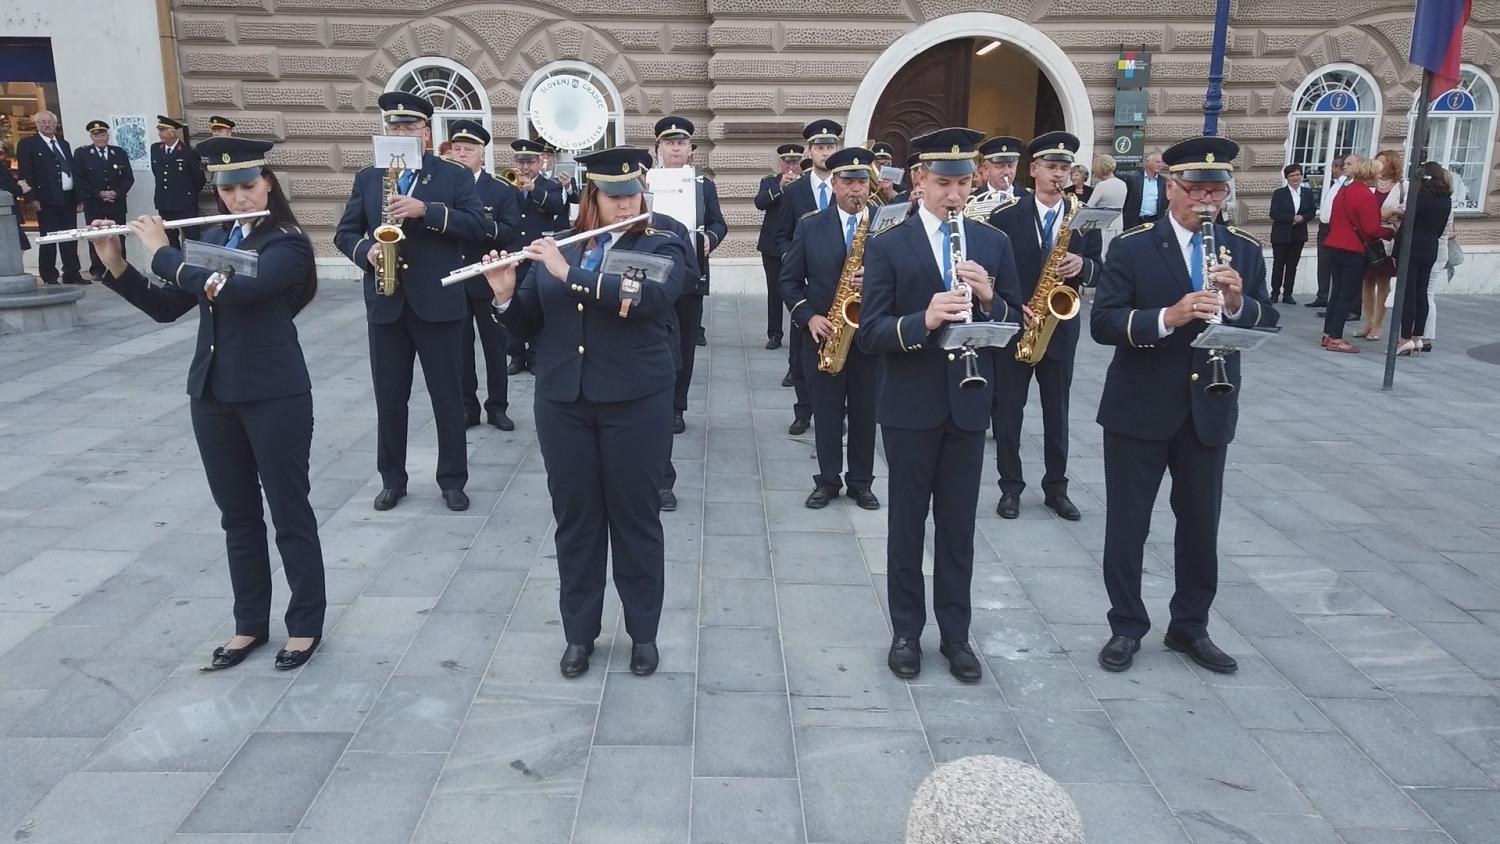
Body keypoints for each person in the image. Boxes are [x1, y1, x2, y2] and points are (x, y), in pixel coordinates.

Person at [92, 137, 326, 671]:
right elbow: (168, 305)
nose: (239, 199)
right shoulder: (217, 237)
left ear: (268, 183)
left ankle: (306, 624)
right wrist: (119, 264)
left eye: (248, 186)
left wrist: (164, 252)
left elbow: (235, 290)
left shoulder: (286, 243)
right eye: (229, 190)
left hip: (274, 395)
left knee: (290, 513)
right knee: (237, 517)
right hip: (214, 395)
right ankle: (249, 625)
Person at [480, 146, 687, 679]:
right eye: (612, 197)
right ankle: (579, 634)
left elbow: (650, 299)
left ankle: (643, 633)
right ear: (590, 197)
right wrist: (504, 296)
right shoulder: (562, 243)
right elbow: (528, 326)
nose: (624, 206)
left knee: (636, 518)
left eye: (631, 195)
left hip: (635, 401)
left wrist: (566, 270)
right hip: (563, 402)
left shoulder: (664, 240)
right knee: (576, 521)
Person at [1091, 135, 1278, 675]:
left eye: (1216, 190)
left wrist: (1239, 303)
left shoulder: (1242, 248)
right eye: (1195, 189)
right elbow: (1104, 323)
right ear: (1170, 187)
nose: (1207, 201)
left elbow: (1267, 320)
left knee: (1200, 524)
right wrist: (1167, 317)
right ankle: (1126, 624)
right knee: (1128, 524)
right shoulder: (1132, 245)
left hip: (1209, 407)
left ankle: (1190, 626)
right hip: (1140, 407)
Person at [856, 126, 1025, 683]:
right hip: (910, 406)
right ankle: (906, 630)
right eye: (943, 183)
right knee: (907, 524)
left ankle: (956, 634)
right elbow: (871, 333)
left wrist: (988, 296)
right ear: (919, 181)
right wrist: (923, 321)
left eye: (962, 183)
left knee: (957, 527)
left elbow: (1016, 322)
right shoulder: (888, 245)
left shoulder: (992, 242)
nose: (954, 195)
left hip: (969, 404)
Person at [333, 91, 489, 512]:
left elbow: (480, 226)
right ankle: (392, 479)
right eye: (394, 126)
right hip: (385, 301)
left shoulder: (452, 176)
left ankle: (453, 479)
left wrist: (428, 211)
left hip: (438, 302)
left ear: (425, 132)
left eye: (409, 126)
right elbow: (344, 232)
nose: (400, 132)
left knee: (447, 395)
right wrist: (364, 250)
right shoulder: (369, 177)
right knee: (389, 396)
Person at [988, 132, 1101, 523]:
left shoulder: (1083, 218)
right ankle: (1010, 487)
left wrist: (1083, 266)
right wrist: (1011, 306)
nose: (1058, 175)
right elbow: (993, 273)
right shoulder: (1004, 216)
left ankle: (1057, 488)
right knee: (1008, 413)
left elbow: (1104, 268)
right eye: (1051, 167)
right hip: (1018, 325)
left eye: (1064, 168)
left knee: (1058, 413)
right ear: (1033, 169)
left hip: (1060, 329)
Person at [779, 146, 882, 511]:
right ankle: (827, 480)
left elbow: (907, 279)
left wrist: (877, 278)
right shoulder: (810, 225)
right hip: (824, 334)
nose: (856, 189)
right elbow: (788, 281)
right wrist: (808, 316)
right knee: (826, 413)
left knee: (866, 413)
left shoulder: (887, 225)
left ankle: (862, 483)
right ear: (835, 184)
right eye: (849, 181)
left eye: (861, 181)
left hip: (869, 335)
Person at [446, 119, 520, 431]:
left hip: (488, 278)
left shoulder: (500, 190)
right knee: (459, 349)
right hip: (455, 280)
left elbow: (510, 231)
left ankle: (497, 406)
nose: (462, 154)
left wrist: (484, 228)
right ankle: (467, 407)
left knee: (495, 347)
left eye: (469, 149)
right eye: (457, 149)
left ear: (482, 155)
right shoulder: (442, 186)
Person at [655, 116, 727, 435]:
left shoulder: (702, 184)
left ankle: (676, 407)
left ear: (690, 150)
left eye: (681, 143)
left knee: (684, 343)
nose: (676, 148)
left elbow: (719, 223)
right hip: (652, 275)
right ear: (657, 148)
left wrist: (711, 238)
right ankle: (653, 401)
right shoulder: (645, 182)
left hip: (690, 274)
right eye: (669, 143)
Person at [777, 119, 843, 436]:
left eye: (830, 146)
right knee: (801, 356)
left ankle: (835, 412)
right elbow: (780, 234)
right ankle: (804, 411)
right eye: (820, 147)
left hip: (841, 285)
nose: (825, 152)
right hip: (805, 282)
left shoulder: (847, 187)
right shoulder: (795, 190)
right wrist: (794, 257)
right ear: (809, 151)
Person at [505, 138, 565, 375]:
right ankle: (516, 355)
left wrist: (534, 190)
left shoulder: (550, 186)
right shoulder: (507, 183)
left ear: (540, 161)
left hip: (538, 252)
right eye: (521, 161)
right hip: (514, 251)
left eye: (530, 161)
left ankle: (536, 354)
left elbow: (557, 207)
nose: (525, 167)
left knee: (539, 304)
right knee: (512, 303)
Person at [1320, 158, 1388, 353]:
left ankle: (1328, 334)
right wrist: (1390, 232)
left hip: (1333, 245)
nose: (1379, 178)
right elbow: (1371, 229)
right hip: (1352, 249)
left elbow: (1333, 219)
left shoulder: (1344, 191)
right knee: (1346, 295)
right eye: (1377, 174)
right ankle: (1336, 338)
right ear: (1370, 175)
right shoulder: (1366, 195)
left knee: (1336, 293)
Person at [17, 110, 85, 285]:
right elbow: (24, 173)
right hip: (45, 200)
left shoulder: (63, 143)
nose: (47, 125)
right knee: (48, 239)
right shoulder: (28, 144)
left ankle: (72, 272)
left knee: (70, 237)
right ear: (37, 124)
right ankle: (49, 275)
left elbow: (72, 171)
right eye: (43, 122)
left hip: (68, 198)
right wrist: (32, 198)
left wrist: (79, 198)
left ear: (56, 124)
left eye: (50, 122)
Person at [1396, 162, 1454, 357]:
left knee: (1408, 294)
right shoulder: (1445, 200)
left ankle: (1404, 338)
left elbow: (1406, 226)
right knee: (1422, 292)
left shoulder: (1419, 198)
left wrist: (1396, 252)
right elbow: (1440, 229)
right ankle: (1417, 336)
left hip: (1412, 247)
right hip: (1430, 246)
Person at [755, 143, 804, 352]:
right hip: (772, 246)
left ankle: (800, 327)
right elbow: (760, 202)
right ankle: (774, 334)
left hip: (798, 246)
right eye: (787, 162)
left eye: (795, 162)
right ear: (780, 163)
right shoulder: (769, 182)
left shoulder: (806, 184)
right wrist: (780, 188)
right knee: (774, 291)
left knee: (798, 291)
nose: (791, 166)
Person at [74, 120, 135, 281]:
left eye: (102, 134)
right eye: (96, 135)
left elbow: (128, 178)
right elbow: (80, 179)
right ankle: (97, 269)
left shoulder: (119, 152)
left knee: (119, 235)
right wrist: (99, 193)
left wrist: (117, 192)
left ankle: (121, 267)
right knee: (96, 236)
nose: (100, 138)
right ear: (91, 137)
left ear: (108, 136)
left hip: (117, 202)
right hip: (94, 202)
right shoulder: (82, 154)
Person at [1356, 149, 1405, 341]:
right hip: (1369, 237)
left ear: (1391, 164)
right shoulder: (1370, 186)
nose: (1378, 166)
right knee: (1367, 282)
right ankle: (1367, 322)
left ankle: (1378, 324)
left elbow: (1404, 211)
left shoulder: (1402, 186)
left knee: (1383, 283)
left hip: (1389, 239)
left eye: (1382, 162)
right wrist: (1387, 212)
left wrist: (1390, 211)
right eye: (1377, 162)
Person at [150, 116, 205, 248]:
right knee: (170, 240)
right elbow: (157, 172)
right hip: (165, 203)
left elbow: (199, 179)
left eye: (163, 130)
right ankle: (174, 267)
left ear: (173, 132)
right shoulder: (156, 149)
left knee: (192, 239)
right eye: (159, 130)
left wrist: (187, 195)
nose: (160, 134)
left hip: (185, 204)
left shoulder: (188, 152)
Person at [1268, 164, 1315, 305]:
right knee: (1278, 264)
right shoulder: (1279, 193)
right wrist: (1291, 218)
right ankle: (1275, 293)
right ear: (1287, 178)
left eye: (1298, 174)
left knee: (1292, 265)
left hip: (1298, 234)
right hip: (1281, 234)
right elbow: (1274, 213)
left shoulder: (1307, 192)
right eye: (1292, 175)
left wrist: (1303, 217)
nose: (1295, 178)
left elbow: (1312, 211)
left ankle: (1288, 294)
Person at [1087, 153, 1128, 258]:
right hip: (1118, 224)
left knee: (1102, 254)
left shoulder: (1102, 185)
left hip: (1103, 225)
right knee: (1116, 254)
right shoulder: (1122, 183)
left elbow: (1089, 206)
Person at [1122, 150, 1166, 230]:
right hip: (1135, 221)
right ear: (1148, 162)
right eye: (1157, 162)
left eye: (1162, 162)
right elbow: (1126, 199)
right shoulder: (1133, 179)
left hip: (1154, 221)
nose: (1160, 165)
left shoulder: (1163, 182)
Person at [975, 137, 1022, 204]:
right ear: (986, 169)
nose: (1006, 172)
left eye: (1011, 166)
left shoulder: (1029, 198)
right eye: (1000, 166)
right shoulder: (973, 198)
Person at [0, 143, 28, 251]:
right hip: (6, 214)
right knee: (15, 248)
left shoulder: (2, 167)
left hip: (8, 213)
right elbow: (10, 187)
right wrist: (22, 188)